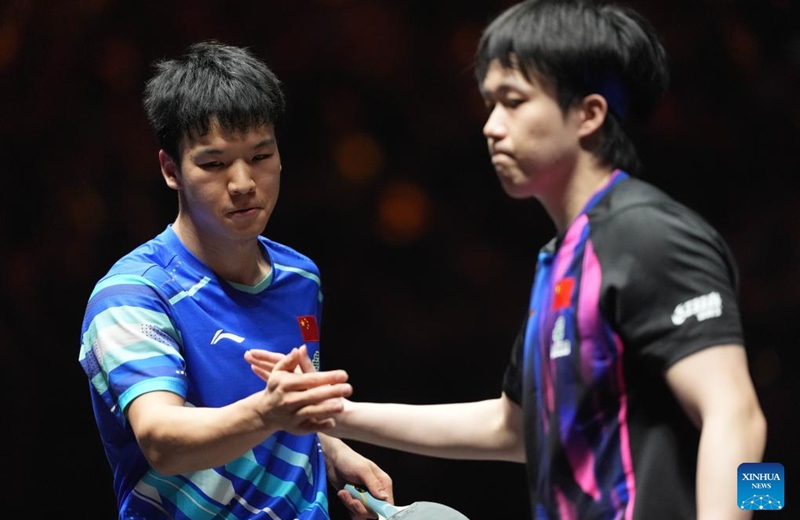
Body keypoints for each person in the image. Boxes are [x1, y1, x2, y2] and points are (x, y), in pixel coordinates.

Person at [246, 1, 768, 518]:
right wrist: (331, 414)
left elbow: (740, 418)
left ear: (588, 113)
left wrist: (757, 510)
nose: (491, 126)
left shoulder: (648, 233)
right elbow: (514, 428)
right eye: (490, 103)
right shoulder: (560, 260)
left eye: (513, 102)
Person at [78, 40, 393, 520]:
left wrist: (329, 448)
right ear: (171, 170)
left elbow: (289, 410)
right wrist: (271, 412)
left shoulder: (300, 278)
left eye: (261, 156)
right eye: (214, 163)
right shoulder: (133, 295)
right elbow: (163, 439)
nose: (244, 182)